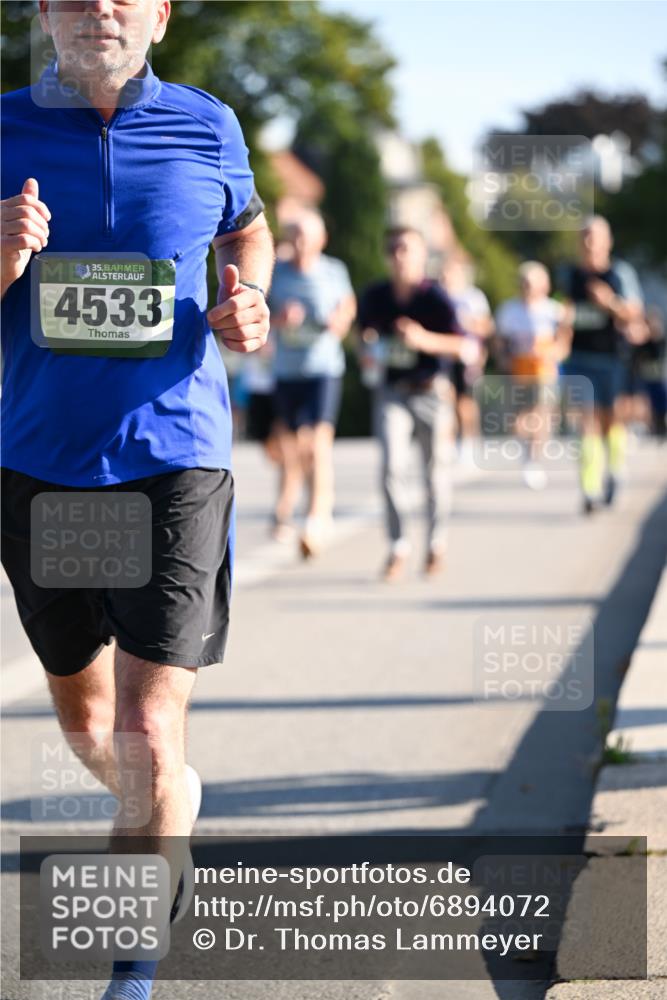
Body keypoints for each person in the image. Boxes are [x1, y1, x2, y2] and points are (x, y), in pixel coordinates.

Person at [0, 2, 273, 998]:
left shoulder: (208, 124)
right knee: (89, 730)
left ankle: (132, 970)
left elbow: (249, 231)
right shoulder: (1, 129)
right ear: (44, 13)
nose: (98, 8)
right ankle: (164, 802)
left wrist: (247, 298)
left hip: (175, 460)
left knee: (146, 734)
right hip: (43, 461)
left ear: (157, 12)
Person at [358, 226, 477, 582]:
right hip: (393, 391)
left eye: (407, 249)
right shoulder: (376, 295)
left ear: (422, 256)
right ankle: (398, 547)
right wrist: (367, 351)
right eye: (393, 249)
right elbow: (363, 339)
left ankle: (436, 543)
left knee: (434, 473)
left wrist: (424, 340)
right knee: (391, 468)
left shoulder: (436, 298)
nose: (399, 256)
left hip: (431, 392)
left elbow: (465, 347)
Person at [269, 210, 356, 557]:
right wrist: (280, 318)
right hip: (287, 371)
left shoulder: (334, 271)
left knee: (317, 445)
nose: (301, 242)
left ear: (322, 240)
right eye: (295, 235)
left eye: (307, 236)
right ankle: (288, 510)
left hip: (323, 369)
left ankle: (317, 519)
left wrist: (340, 320)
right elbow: (260, 314)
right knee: (291, 451)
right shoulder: (277, 273)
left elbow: (347, 306)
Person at [559, 216, 645, 513]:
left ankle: (615, 471)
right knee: (585, 424)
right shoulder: (570, 275)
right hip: (579, 360)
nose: (589, 241)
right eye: (584, 236)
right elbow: (565, 311)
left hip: (611, 358)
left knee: (611, 422)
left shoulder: (619, 274)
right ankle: (589, 489)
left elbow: (634, 314)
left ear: (607, 241)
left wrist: (609, 302)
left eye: (594, 236)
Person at [495, 261, 572, 490]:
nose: (527, 287)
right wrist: (503, 359)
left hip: (544, 369)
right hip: (519, 368)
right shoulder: (509, 310)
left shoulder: (552, 310)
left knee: (541, 413)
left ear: (543, 284)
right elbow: (499, 341)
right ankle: (526, 449)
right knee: (519, 417)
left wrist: (556, 352)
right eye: (524, 282)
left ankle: (534, 459)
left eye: (531, 282)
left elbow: (564, 339)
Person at [441, 248, 493, 466]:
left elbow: (487, 326)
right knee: (446, 398)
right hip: (444, 353)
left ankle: (469, 440)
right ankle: (450, 442)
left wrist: (467, 322)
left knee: (466, 401)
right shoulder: (438, 296)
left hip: (468, 355)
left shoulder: (473, 297)